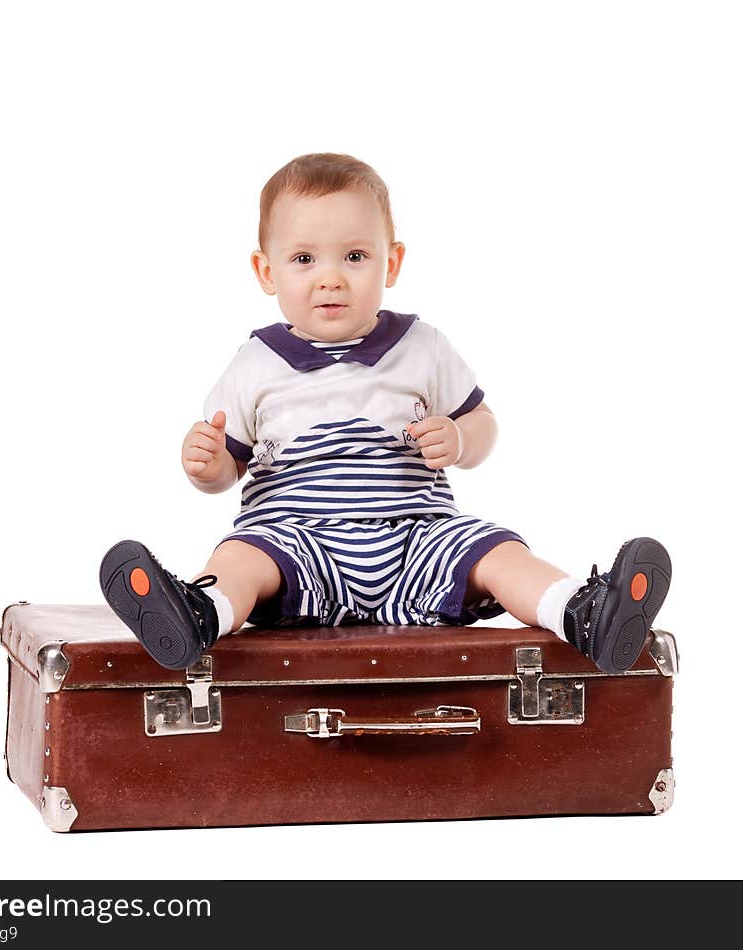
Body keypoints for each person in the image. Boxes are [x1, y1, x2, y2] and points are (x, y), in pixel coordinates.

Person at [99, 152, 671, 675]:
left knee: (498, 552)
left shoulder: (421, 346)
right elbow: (229, 466)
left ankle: (583, 613)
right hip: (298, 543)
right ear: (266, 271)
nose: (331, 277)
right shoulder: (256, 362)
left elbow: (484, 425)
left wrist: (459, 437)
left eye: (355, 256)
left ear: (391, 262)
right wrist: (208, 467)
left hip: (419, 536)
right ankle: (200, 612)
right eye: (303, 258)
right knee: (240, 556)